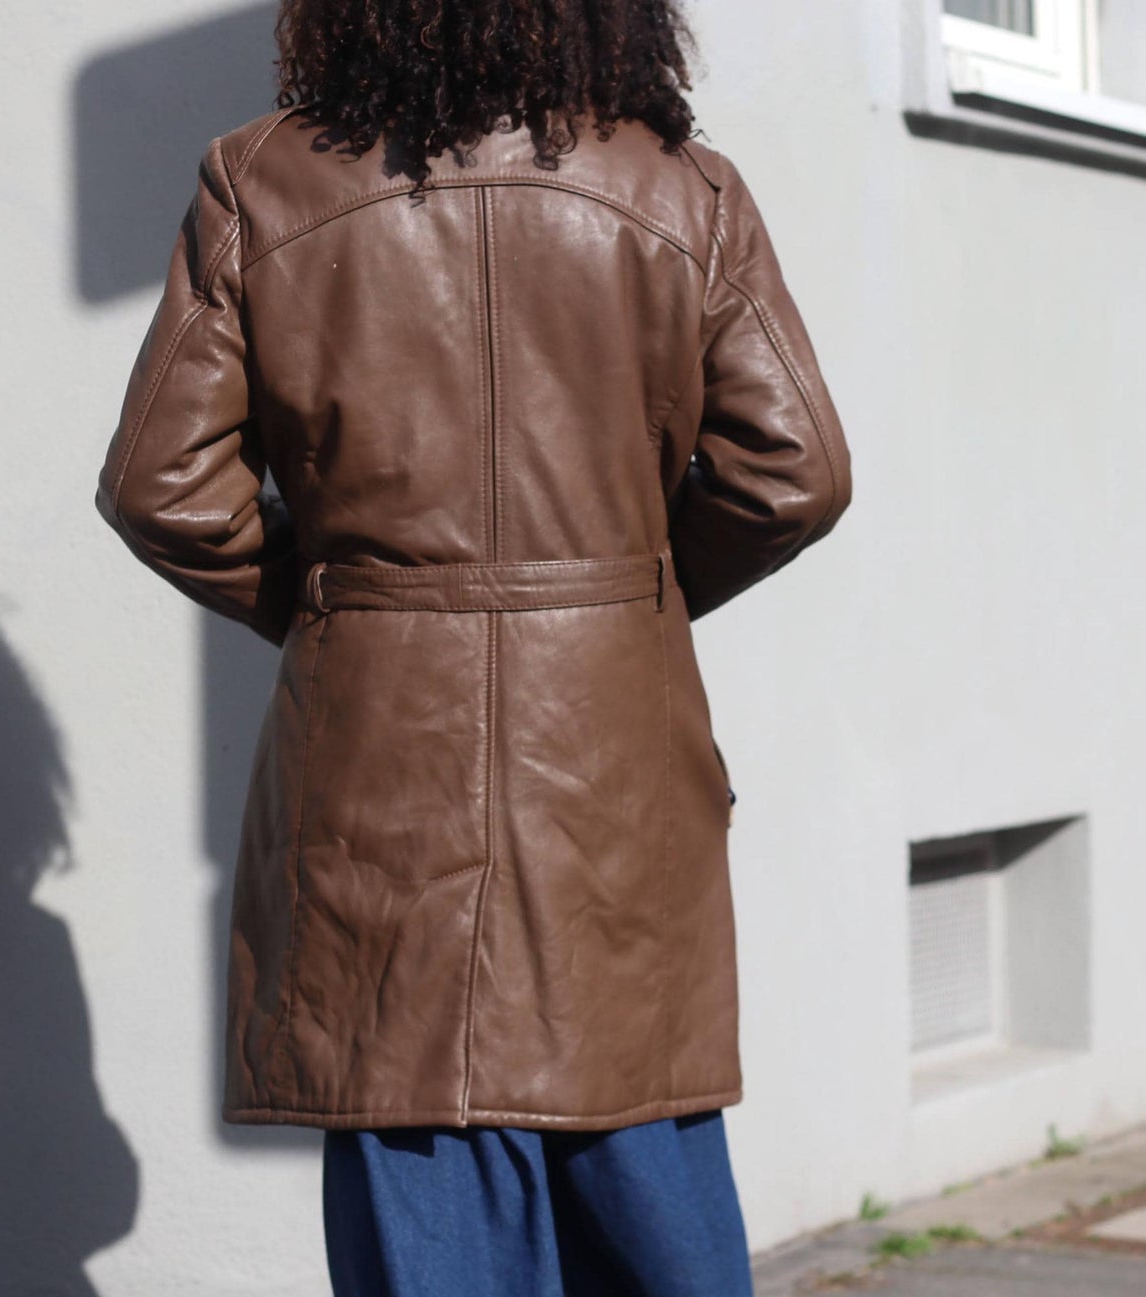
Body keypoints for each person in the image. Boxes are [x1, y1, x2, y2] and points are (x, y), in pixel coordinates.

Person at [90, 0, 854, 1289]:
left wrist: (347, 613)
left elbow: (160, 485)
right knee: (647, 1170)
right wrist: (623, 610)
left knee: (417, 1160)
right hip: (612, 797)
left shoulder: (261, 180)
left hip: (381, 798)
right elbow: (795, 472)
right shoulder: (681, 188)